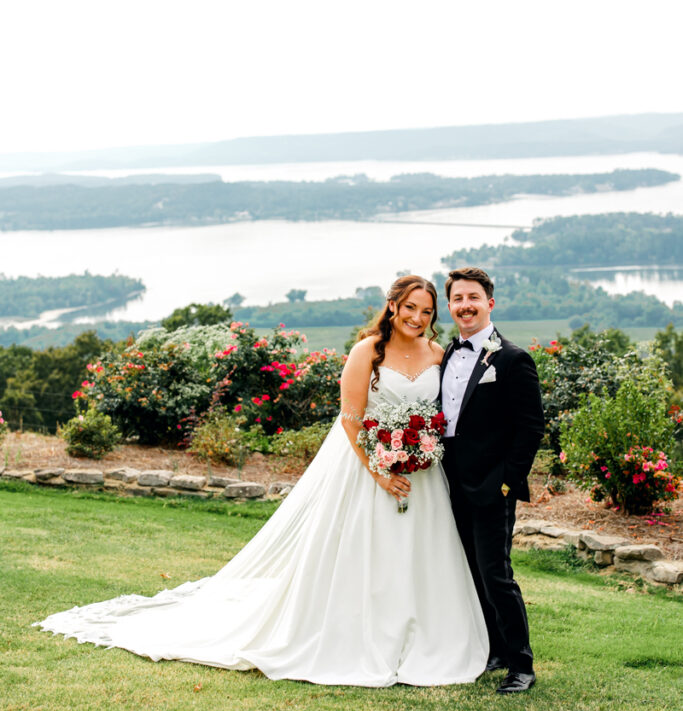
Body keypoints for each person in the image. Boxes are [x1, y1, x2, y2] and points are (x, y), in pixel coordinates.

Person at [36, 275, 488, 687]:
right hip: (367, 472)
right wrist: (380, 470)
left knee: (419, 557)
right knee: (362, 555)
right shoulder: (367, 351)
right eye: (409, 307)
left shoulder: (437, 354)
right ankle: (357, 634)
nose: (417, 317)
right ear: (392, 307)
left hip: (422, 478)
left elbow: (439, 414)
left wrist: (416, 449)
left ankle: (422, 637)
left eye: (426, 311)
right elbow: (351, 420)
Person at [440, 267, 544, 694]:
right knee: (471, 572)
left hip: (492, 487)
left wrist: (506, 483)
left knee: (495, 573)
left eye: (473, 298)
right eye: (457, 298)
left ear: (489, 304)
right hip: (449, 485)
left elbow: (531, 428)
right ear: (450, 306)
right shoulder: (447, 353)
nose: (465, 305)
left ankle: (522, 664)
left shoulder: (513, 359)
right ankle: (495, 650)